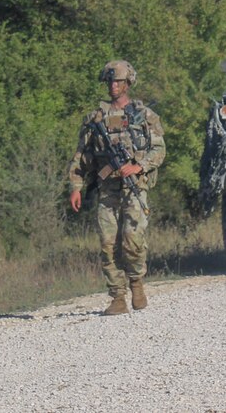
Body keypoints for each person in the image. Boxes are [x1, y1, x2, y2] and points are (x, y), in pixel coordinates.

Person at [67, 60, 165, 316]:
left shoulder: (144, 116)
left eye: (118, 81)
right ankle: (117, 296)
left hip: (135, 187)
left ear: (128, 83)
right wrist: (76, 186)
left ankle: (136, 281)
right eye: (110, 81)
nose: (113, 86)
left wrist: (138, 166)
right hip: (107, 188)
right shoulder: (95, 118)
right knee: (108, 243)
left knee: (133, 240)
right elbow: (82, 156)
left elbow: (159, 150)